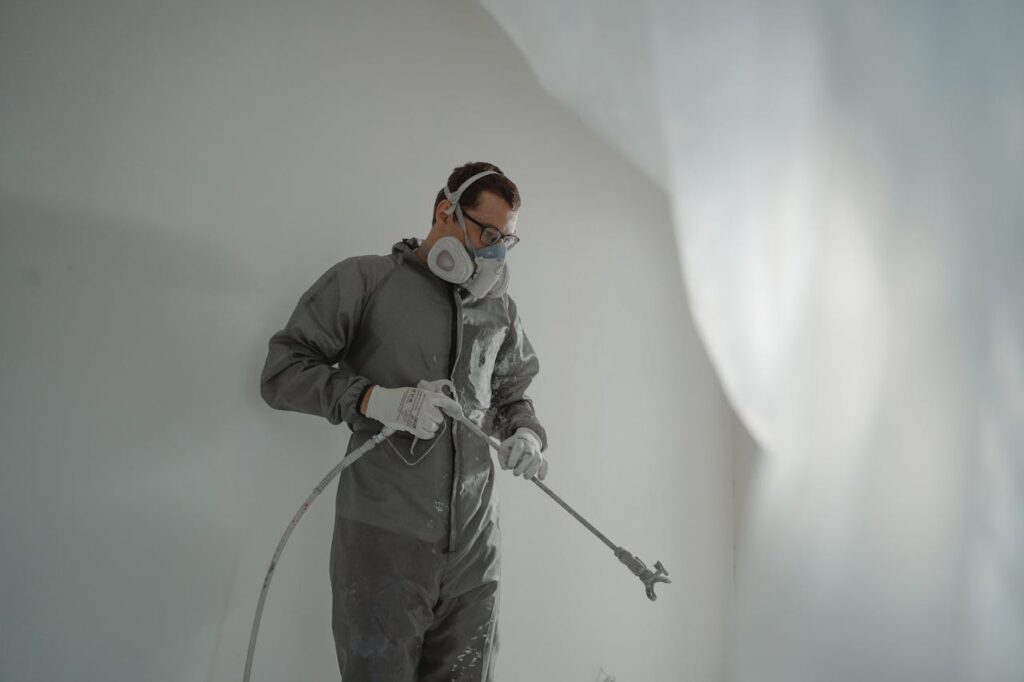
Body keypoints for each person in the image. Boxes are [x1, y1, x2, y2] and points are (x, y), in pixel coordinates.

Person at [259, 161, 548, 681]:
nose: (497, 253)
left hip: (475, 556)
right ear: (446, 213)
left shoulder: (498, 310)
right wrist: (372, 400)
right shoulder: (367, 282)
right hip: (383, 547)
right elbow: (283, 371)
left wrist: (525, 432)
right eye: (487, 234)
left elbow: (513, 394)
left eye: (507, 240)